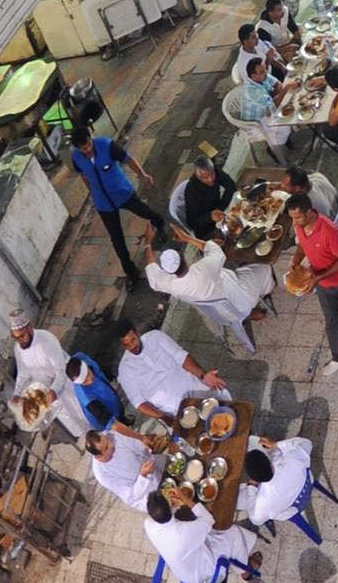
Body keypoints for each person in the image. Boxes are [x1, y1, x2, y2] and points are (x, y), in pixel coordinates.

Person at [69, 126, 166, 283]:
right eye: (82, 148)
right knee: (117, 240)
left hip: (123, 193)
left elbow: (128, 160)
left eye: (87, 145)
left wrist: (143, 175)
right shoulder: (77, 158)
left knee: (144, 212)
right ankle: (131, 272)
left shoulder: (107, 146)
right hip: (104, 204)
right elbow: (85, 177)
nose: (86, 150)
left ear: (90, 137)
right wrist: (93, 195)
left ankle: (160, 224)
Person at [285, 192, 338, 377]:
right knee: (331, 320)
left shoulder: (329, 230)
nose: (295, 222)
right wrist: (296, 262)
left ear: (309, 212)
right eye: (292, 218)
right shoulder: (300, 226)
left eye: (297, 217)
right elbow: (302, 245)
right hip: (321, 283)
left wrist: (318, 278)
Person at [143, 488, 260, 583]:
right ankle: (245, 570)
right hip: (205, 575)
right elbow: (208, 520)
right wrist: (184, 497)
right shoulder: (183, 533)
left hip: (187, 567)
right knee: (232, 532)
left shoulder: (148, 524)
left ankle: (241, 560)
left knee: (208, 532)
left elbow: (167, 518)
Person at [143, 240, 273, 327]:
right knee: (265, 268)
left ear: (167, 271)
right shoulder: (203, 268)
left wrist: (147, 245)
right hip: (242, 299)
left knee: (238, 274)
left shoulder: (169, 284)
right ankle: (255, 306)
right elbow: (215, 251)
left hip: (220, 313)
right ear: (182, 256)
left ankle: (247, 315)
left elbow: (152, 272)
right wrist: (187, 238)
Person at [115, 320, 223, 418]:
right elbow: (138, 402)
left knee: (223, 411)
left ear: (138, 333)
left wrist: (203, 375)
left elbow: (181, 357)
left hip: (193, 388)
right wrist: (164, 417)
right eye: (127, 345)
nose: (132, 346)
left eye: (133, 340)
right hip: (174, 410)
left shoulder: (155, 337)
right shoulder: (125, 370)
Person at [4, 309, 85, 437]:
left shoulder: (46, 340)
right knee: (75, 424)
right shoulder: (18, 349)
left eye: (22, 336)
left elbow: (61, 370)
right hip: (49, 396)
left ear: (29, 328)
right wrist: (17, 393)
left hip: (66, 386)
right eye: (16, 337)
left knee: (85, 413)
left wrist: (54, 390)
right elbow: (23, 373)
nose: (20, 340)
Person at [237, 435, 314, 526]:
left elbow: (256, 520)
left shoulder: (263, 502)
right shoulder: (293, 460)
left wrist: (251, 487)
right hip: (305, 482)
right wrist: (276, 445)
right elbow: (306, 443)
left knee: (239, 499)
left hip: (288, 510)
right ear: (269, 461)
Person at [85, 428, 160, 508]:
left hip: (154, 468)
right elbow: (130, 496)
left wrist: (148, 444)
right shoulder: (102, 474)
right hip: (144, 494)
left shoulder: (111, 435)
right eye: (107, 447)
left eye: (108, 440)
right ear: (99, 457)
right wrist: (143, 476)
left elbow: (138, 445)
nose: (112, 445)